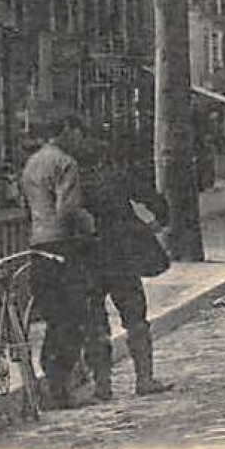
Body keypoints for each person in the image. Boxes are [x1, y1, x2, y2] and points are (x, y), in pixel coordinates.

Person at [81, 136, 174, 399]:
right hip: (122, 255)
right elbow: (154, 200)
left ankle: (103, 385)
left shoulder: (78, 183)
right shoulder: (118, 177)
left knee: (95, 322)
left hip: (90, 254)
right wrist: (157, 224)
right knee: (135, 317)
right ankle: (144, 379)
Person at [20, 112, 96, 408]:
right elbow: (68, 210)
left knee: (53, 316)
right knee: (71, 317)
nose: (79, 140)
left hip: (38, 245)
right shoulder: (66, 163)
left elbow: (30, 209)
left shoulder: (31, 164)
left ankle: (53, 382)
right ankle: (59, 389)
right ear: (66, 130)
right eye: (77, 133)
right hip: (63, 246)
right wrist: (89, 225)